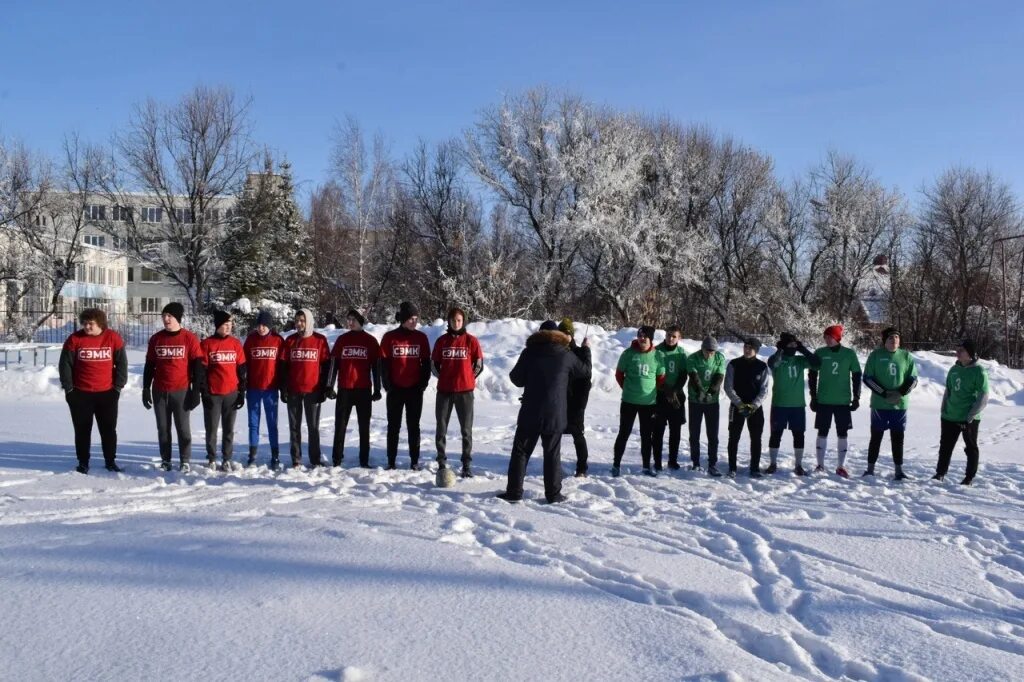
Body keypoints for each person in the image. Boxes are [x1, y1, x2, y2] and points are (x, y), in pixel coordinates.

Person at [499, 321, 591, 503]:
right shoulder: (565, 354)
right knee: (552, 454)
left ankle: (514, 493)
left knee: (521, 452)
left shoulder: (529, 352)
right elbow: (585, 371)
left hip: (530, 411)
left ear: (539, 333)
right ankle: (553, 494)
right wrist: (586, 349)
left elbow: (515, 378)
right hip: (555, 414)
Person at [59, 308, 128, 474]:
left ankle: (110, 461)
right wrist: (69, 389)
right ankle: (83, 462)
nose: (87, 327)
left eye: (91, 323)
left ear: (100, 323)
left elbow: (122, 364)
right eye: (84, 323)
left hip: (107, 393)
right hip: (81, 394)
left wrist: (117, 387)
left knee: (108, 429)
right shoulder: (75, 339)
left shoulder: (113, 338)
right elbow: (65, 365)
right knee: (82, 429)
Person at [142, 302, 206, 472]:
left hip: (181, 390)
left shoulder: (189, 338)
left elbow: (198, 366)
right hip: (160, 391)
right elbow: (149, 365)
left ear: (177, 318)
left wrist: (196, 390)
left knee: (183, 428)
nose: (166, 319)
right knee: (163, 428)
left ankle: (185, 460)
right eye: (164, 316)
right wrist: (146, 388)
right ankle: (166, 460)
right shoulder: (156, 339)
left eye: (169, 316)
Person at [432, 307, 484, 478]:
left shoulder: (471, 341)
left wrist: (468, 378)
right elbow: (434, 365)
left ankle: (466, 464)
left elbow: (478, 364)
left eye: (459, 320)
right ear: (449, 321)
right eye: (453, 320)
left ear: (464, 321)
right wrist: (445, 378)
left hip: (465, 392)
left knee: (466, 430)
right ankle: (441, 461)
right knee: (441, 428)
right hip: (445, 392)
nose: (456, 323)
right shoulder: (441, 341)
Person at [326, 308, 381, 468]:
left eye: (353, 319)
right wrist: (329, 386)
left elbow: (376, 367)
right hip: (345, 390)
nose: (349, 322)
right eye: (348, 319)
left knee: (364, 427)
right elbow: (333, 364)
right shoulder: (342, 340)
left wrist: (377, 389)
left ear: (360, 321)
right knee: (340, 425)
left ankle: (364, 459)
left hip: (363, 390)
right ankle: (337, 458)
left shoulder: (370, 341)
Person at [380, 301, 431, 470]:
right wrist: (388, 385)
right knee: (393, 426)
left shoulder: (421, 338)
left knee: (413, 426)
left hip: (414, 390)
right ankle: (391, 460)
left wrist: (422, 385)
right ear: (402, 319)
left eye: (416, 319)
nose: (414, 322)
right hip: (395, 389)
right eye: (410, 319)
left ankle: (414, 460)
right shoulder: (390, 337)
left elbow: (426, 365)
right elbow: (384, 364)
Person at [862, 327, 918, 480]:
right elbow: (867, 378)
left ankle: (899, 471)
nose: (894, 341)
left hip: (899, 405)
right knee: (876, 437)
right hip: (880, 405)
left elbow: (913, 379)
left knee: (898, 438)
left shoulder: (906, 356)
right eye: (890, 338)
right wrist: (885, 394)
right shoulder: (875, 356)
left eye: (897, 338)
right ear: (884, 341)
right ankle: (870, 469)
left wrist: (900, 393)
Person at [932, 340, 989, 485]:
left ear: (970, 353)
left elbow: (984, 397)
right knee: (945, 446)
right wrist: (943, 409)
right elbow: (948, 391)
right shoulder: (954, 369)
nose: (958, 352)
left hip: (968, 418)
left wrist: (970, 416)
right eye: (957, 349)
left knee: (970, 448)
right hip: (950, 416)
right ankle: (940, 473)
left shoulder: (979, 371)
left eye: (962, 350)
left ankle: (969, 477)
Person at [611, 325, 665, 477]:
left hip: (648, 403)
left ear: (650, 339)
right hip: (629, 401)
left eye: (645, 337)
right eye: (640, 336)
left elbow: (661, 378)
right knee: (624, 432)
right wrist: (627, 389)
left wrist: (649, 390)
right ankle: (616, 465)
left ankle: (646, 466)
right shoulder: (628, 354)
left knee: (646, 435)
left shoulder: (657, 355)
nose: (641, 339)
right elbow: (619, 374)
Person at [280, 308, 331, 468]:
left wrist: (324, 388)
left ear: (308, 321)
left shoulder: (320, 340)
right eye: (297, 321)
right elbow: (283, 366)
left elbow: (326, 366)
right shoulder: (290, 341)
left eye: (302, 320)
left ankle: (315, 459)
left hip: (313, 390)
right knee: (294, 426)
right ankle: (296, 459)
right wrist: (284, 388)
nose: (299, 324)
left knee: (313, 427)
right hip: (294, 390)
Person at [809, 325, 862, 478]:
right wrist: (813, 397)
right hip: (824, 400)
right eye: (825, 337)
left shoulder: (849, 354)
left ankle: (840, 466)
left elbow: (857, 375)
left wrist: (856, 397)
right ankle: (820, 465)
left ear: (838, 337)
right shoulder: (820, 352)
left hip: (843, 401)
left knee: (842, 433)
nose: (827, 339)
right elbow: (812, 375)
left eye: (830, 336)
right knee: (822, 432)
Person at [766, 332, 821, 475]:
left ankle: (798, 465)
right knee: (776, 434)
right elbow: (772, 363)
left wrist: (802, 349)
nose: (793, 347)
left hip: (797, 405)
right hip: (779, 404)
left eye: (794, 345)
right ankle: (772, 463)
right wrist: (781, 350)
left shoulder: (800, 360)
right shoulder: (777, 358)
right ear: (783, 346)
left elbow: (817, 363)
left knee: (798, 435)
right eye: (790, 345)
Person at [200, 311, 247, 470]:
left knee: (229, 429)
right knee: (211, 428)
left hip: (231, 393)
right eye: (224, 325)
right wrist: (204, 392)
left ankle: (227, 458)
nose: (228, 328)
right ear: (217, 326)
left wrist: (242, 391)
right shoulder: (207, 344)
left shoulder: (235, 343)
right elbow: (202, 371)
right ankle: (212, 458)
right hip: (213, 393)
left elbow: (241, 369)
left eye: (230, 325)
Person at [243, 310, 284, 468]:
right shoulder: (251, 340)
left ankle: (275, 456)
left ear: (270, 326)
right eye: (259, 325)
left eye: (264, 325)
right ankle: (252, 456)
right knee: (253, 424)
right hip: (253, 388)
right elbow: (243, 363)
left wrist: (283, 386)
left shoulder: (277, 340)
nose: (261, 328)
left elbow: (282, 366)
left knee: (272, 423)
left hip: (271, 389)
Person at [724, 337, 769, 478]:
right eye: (746, 347)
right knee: (733, 437)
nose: (747, 350)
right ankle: (732, 468)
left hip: (754, 408)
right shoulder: (734, 364)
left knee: (756, 438)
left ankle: (754, 468)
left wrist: (754, 405)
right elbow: (728, 387)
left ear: (756, 350)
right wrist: (739, 404)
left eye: (751, 348)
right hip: (737, 406)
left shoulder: (762, 367)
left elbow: (764, 389)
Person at [686, 336, 726, 476]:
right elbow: (694, 377)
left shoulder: (719, 358)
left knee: (712, 434)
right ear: (702, 348)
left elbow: (719, 377)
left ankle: (712, 463)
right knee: (694, 433)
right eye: (707, 351)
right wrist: (700, 392)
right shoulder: (693, 358)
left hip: (712, 402)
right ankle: (695, 462)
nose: (710, 354)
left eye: (712, 351)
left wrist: (711, 392)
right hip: (695, 400)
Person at [651, 325, 687, 471]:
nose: (670, 338)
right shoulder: (657, 351)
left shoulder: (681, 353)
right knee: (658, 430)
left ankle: (672, 460)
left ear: (679, 338)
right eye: (668, 335)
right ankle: (658, 461)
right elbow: (653, 374)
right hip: (660, 395)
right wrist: (665, 390)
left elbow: (684, 374)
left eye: (674, 336)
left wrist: (675, 391)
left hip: (676, 396)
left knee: (675, 431)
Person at [559, 318, 592, 477]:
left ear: (571, 336)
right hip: (558, 401)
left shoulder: (580, 352)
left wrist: (586, 350)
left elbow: (587, 376)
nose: (564, 337)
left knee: (578, 435)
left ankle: (582, 468)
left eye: (566, 334)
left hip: (576, 401)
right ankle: (553, 465)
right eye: (560, 334)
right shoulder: (556, 352)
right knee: (554, 434)